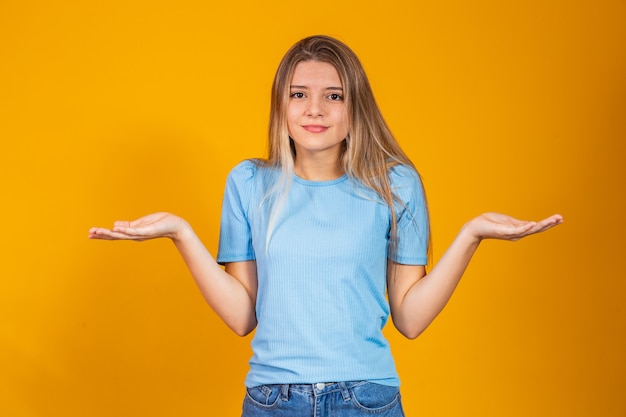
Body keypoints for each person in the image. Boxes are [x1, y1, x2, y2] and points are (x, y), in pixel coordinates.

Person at [89, 35, 563, 417]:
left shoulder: (394, 184)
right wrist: (181, 234)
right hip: (273, 401)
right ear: (281, 105)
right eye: (299, 94)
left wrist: (471, 235)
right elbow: (241, 316)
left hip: (367, 400)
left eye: (333, 96)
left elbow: (410, 319)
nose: (314, 109)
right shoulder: (249, 183)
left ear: (355, 106)